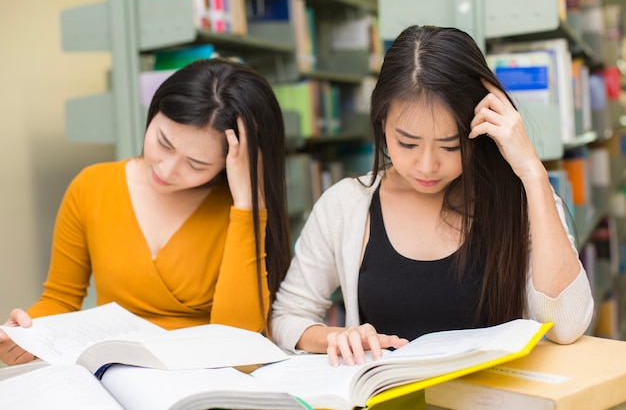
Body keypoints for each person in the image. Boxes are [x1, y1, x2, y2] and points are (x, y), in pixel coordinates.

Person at [270, 25, 595, 367]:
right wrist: (334, 337)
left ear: (479, 131)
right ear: (381, 123)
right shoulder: (345, 205)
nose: (427, 166)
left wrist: (532, 172)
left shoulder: (522, 201)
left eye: (450, 145)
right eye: (407, 143)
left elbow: (567, 326)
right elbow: (287, 316)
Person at [0, 57, 291, 366]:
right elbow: (60, 299)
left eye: (197, 164)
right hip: (115, 375)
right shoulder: (91, 186)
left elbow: (239, 348)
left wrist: (247, 204)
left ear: (232, 163)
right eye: (163, 143)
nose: (167, 169)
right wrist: (26, 334)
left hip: (207, 380)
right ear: (153, 114)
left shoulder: (242, 209)